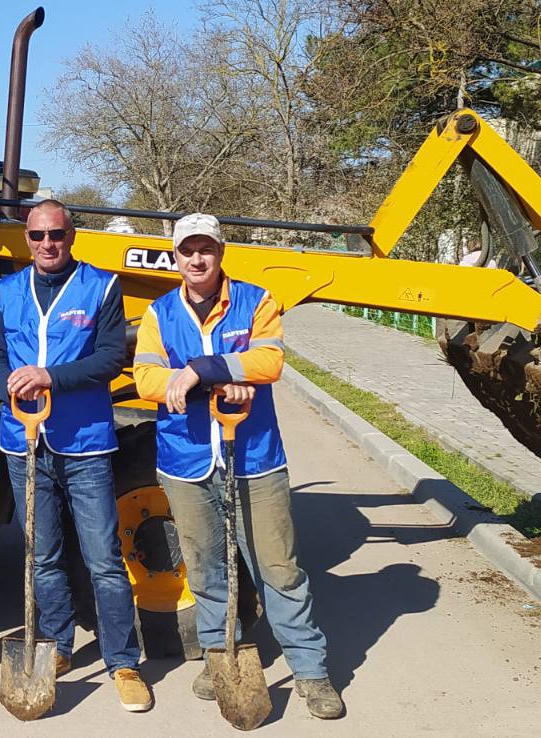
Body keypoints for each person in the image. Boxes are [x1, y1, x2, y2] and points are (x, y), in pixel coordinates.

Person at [131, 213, 345, 720]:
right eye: (187, 251)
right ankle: (220, 654)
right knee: (206, 569)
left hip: (254, 459)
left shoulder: (256, 301)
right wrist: (210, 381)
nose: (196, 259)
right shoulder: (160, 313)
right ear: (175, 257)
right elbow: (145, 379)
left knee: (278, 568)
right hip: (186, 461)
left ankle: (310, 669)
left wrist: (200, 369)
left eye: (205, 249)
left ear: (220, 253)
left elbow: (269, 361)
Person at [0, 199, 154, 713]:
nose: (47, 244)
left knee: (104, 560)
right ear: (26, 240)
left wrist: (49, 377)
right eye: (37, 235)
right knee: (42, 556)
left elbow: (109, 358)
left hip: (85, 445)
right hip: (24, 442)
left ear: (71, 236)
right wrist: (8, 386)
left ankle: (123, 662)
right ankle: (57, 645)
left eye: (56, 234)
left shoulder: (101, 286)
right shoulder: (6, 291)